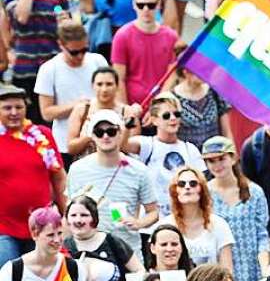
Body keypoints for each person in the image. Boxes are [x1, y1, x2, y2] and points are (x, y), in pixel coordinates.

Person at [66, 111, 158, 255]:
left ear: (120, 133)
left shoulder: (139, 170)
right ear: (92, 136)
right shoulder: (77, 169)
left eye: (111, 131)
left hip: (127, 249)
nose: (106, 136)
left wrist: (138, 223)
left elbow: (153, 212)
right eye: (99, 132)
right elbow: (68, 211)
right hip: (88, 250)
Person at [0, 85, 66, 266]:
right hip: (4, 227)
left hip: (43, 225)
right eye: (7, 108)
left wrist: (65, 213)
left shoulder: (42, 135)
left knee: (44, 278)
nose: (14, 112)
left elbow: (58, 177)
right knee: (7, 280)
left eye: (19, 107)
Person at [1, 0, 67, 124]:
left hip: (52, 63)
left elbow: (62, 14)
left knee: (51, 120)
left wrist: (62, 18)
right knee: (28, 120)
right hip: (25, 67)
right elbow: (21, 16)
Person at [204, 135, 270, 281]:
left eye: (221, 158)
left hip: (251, 265)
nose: (217, 165)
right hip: (217, 266)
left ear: (233, 158)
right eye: (211, 161)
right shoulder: (204, 193)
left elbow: (262, 234)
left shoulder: (254, 192)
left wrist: (265, 268)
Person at [35, 21, 109, 160]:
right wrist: (77, 106)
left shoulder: (97, 61)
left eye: (84, 50)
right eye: (74, 52)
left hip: (100, 141)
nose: (80, 56)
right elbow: (46, 113)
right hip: (65, 144)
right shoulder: (49, 69)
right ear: (61, 45)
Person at [123, 93, 204, 216]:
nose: (173, 118)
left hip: (182, 219)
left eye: (177, 114)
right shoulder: (147, 144)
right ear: (154, 120)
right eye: (166, 115)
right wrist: (129, 122)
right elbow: (122, 145)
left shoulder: (190, 149)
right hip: (152, 223)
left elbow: (202, 184)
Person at [109, 0, 177, 107]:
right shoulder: (122, 36)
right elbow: (119, 78)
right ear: (134, 5)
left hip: (162, 108)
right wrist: (126, 110)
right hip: (133, 107)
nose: (146, 9)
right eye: (141, 5)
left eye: (151, 5)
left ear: (159, 5)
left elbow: (172, 74)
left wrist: (159, 105)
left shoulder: (171, 36)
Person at [157, 166, 235, 271]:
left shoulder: (219, 224)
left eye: (193, 184)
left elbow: (227, 271)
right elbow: (158, 269)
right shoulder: (165, 226)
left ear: (202, 189)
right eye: (181, 184)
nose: (187, 187)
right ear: (175, 191)